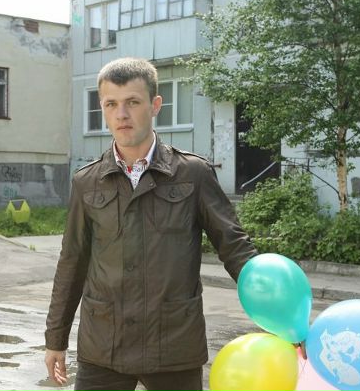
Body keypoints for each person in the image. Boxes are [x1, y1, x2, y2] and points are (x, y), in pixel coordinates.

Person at [44, 57, 256, 391]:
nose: (121, 114)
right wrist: (55, 338)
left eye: (132, 102)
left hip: (173, 346)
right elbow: (72, 261)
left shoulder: (193, 174)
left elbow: (235, 248)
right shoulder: (87, 182)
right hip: (103, 347)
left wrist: (276, 312)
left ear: (155, 105)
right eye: (111, 104)